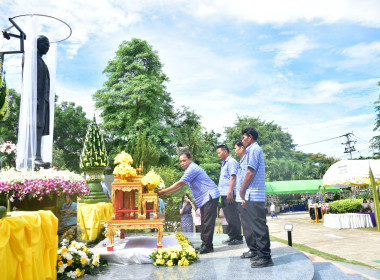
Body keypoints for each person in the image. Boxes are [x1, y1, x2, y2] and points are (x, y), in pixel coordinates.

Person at [159, 152, 220, 254]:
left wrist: (164, 192)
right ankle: (205, 244)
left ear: (190, 159)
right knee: (205, 221)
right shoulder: (188, 169)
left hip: (209, 196)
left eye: (184, 160)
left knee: (207, 222)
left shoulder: (192, 168)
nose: (182, 163)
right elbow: (180, 186)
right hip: (205, 198)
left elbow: (180, 183)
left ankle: (208, 246)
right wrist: (165, 193)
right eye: (180, 161)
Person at [236, 128, 273, 268]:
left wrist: (242, 190)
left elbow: (250, 172)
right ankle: (259, 253)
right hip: (252, 195)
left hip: (254, 194)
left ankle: (265, 257)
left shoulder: (253, 150)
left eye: (244, 137)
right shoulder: (252, 150)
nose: (242, 140)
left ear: (250, 137)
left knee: (259, 227)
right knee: (255, 226)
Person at [216, 144, 243, 245]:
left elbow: (233, 177)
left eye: (219, 153)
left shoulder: (231, 162)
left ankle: (238, 237)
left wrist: (230, 192)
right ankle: (232, 236)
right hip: (223, 193)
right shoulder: (224, 163)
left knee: (232, 216)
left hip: (229, 193)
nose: (218, 155)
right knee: (228, 216)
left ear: (225, 151)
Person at [35, 35, 51, 167]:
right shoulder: (32, 60)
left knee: (40, 126)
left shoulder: (41, 61)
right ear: (38, 44)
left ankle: (38, 155)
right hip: (36, 99)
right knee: (35, 125)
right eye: (46, 44)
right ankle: (35, 155)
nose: (48, 48)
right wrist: (33, 99)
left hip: (43, 99)